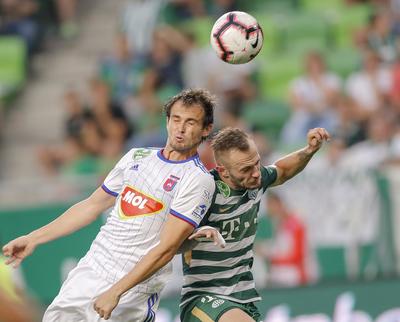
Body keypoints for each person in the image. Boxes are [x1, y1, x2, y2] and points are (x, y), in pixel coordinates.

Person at [2, 88, 224, 321]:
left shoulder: (197, 179)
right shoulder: (137, 157)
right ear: (167, 120)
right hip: (90, 271)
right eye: (176, 119)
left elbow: (167, 248)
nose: (181, 128)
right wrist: (34, 238)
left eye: (191, 122)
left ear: (206, 129)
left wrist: (116, 291)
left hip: (132, 290)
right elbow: (91, 205)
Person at [180, 126, 330, 322]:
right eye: (245, 169)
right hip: (204, 298)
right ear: (223, 172)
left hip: (243, 299)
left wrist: (309, 150)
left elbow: (283, 170)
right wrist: (193, 237)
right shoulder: (205, 192)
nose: (256, 173)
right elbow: (171, 243)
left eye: (257, 164)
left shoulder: (255, 181)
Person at [255, 192, 314, 287]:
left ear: (279, 204)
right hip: (280, 277)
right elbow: (280, 248)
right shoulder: (279, 224)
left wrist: (270, 255)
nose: (269, 210)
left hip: (295, 277)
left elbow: (298, 256)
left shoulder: (295, 223)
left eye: (271, 205)